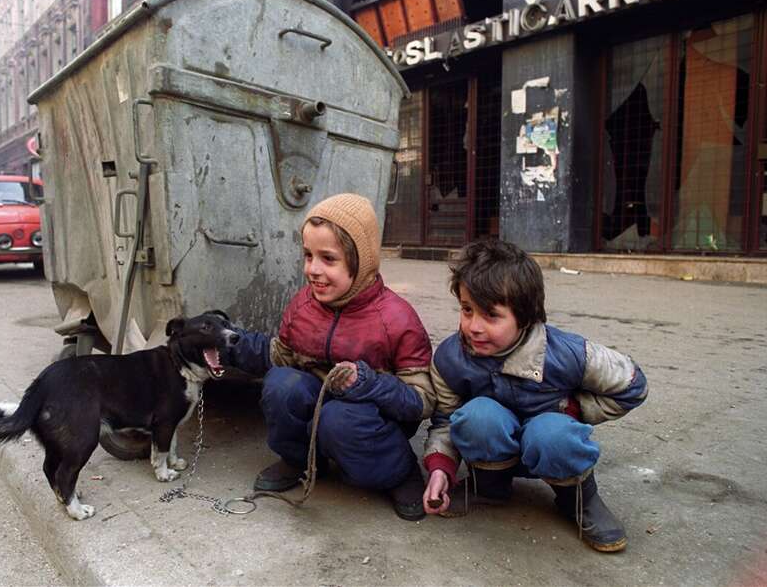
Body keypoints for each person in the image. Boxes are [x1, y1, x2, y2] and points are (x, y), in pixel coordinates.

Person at [422, 239, 648, 551]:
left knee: (552, 433)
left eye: (490, 315)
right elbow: (446, 419)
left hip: (550, 448)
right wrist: (440, 469)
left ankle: (579, 501)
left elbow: (632, 385)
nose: (473, 326)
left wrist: (575, 410)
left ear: (526, 316)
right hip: (493, 451)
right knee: (477, 416)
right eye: (466, 309)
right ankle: (488, 488)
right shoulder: (450, 358)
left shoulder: (568, 353)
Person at [229, 193, 435, 520]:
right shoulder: (303, 305)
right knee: (282, 384)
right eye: (308, 255)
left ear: (361, 260)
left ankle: (399, 471)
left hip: (370, 418)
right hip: (323, 407)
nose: (313, 269)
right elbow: (280, 357)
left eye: (328, 258)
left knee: (339, 419)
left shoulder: (396, 319)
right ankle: (301, 460)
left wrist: (368, 382)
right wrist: (231, 344)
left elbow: (422, 401)